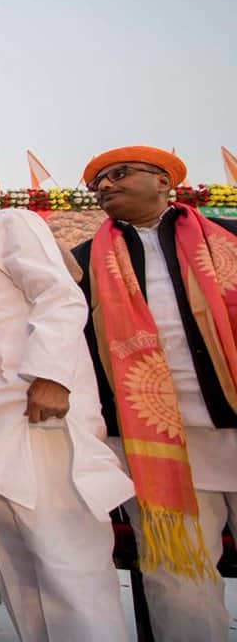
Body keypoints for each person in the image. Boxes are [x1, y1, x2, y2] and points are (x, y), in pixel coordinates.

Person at [0, 164, 134, 641]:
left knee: (65, 560)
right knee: (15, 563)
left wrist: (52, 376)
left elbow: (59, 297)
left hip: (35, 417)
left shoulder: (11, 223)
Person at [69, 146, 237, 641]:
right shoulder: (83, 263)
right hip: (155, 445)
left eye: (120, 175)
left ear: (164, 181)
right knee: (178, 576)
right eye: (98, 182)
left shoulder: (229, 238)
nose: (105, 187)